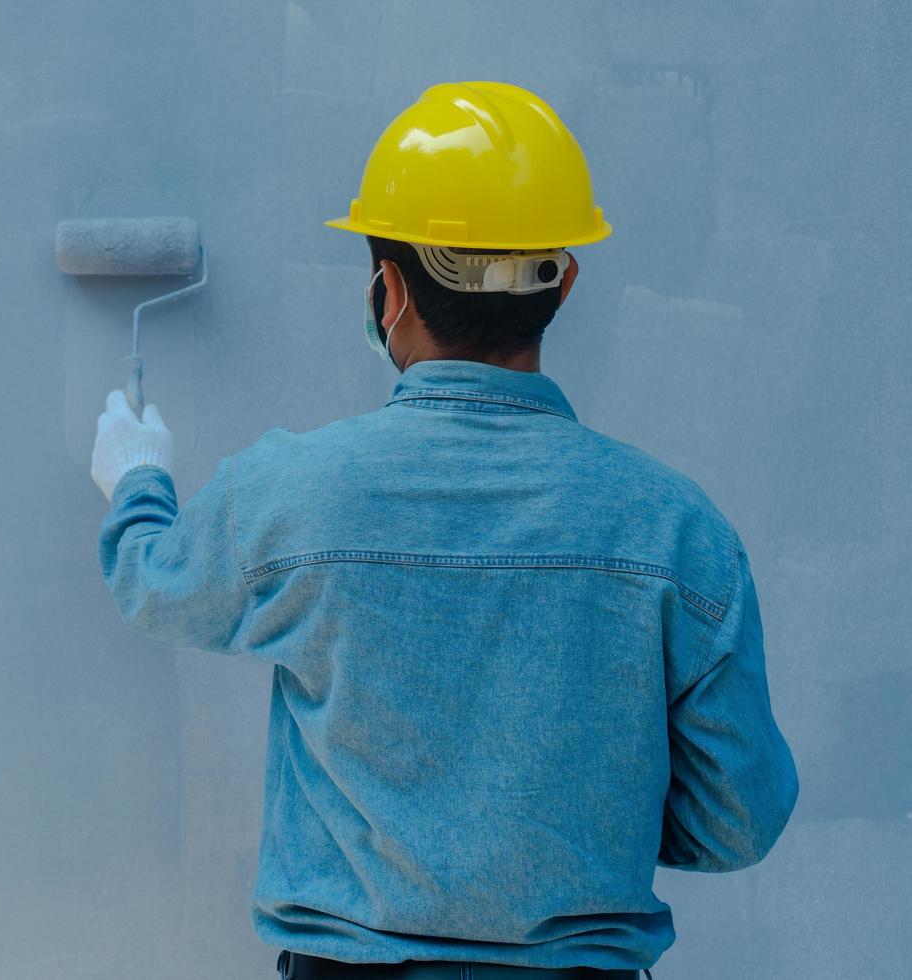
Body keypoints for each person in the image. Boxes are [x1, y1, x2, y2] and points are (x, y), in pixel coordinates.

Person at [89, 81, 798, 980]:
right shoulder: (678, 531)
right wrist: (581, 818)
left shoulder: (294, 492)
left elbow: (156, 588)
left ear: (388, 289)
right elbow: (739, 819)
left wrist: (138, 477)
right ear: (563, 281)